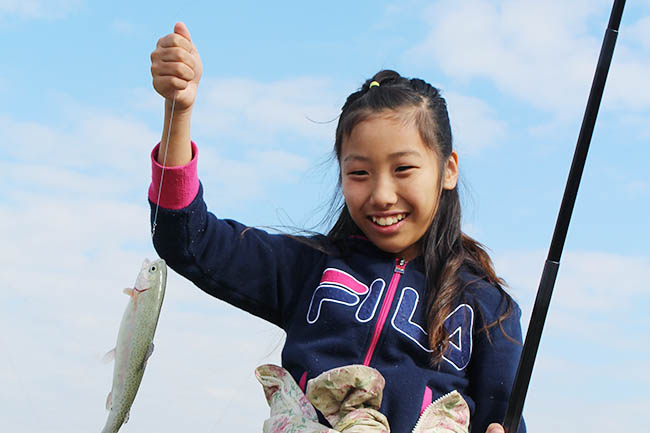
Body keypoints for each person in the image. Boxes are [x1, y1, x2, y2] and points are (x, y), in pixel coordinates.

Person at [148, 22, 525, 433]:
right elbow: (186, 239)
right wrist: (177, 113)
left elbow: (504, 419)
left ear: (448, 169)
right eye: (359, 172)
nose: (382, 194)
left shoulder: (489, 311)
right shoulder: (309, 267)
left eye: (403, 169)